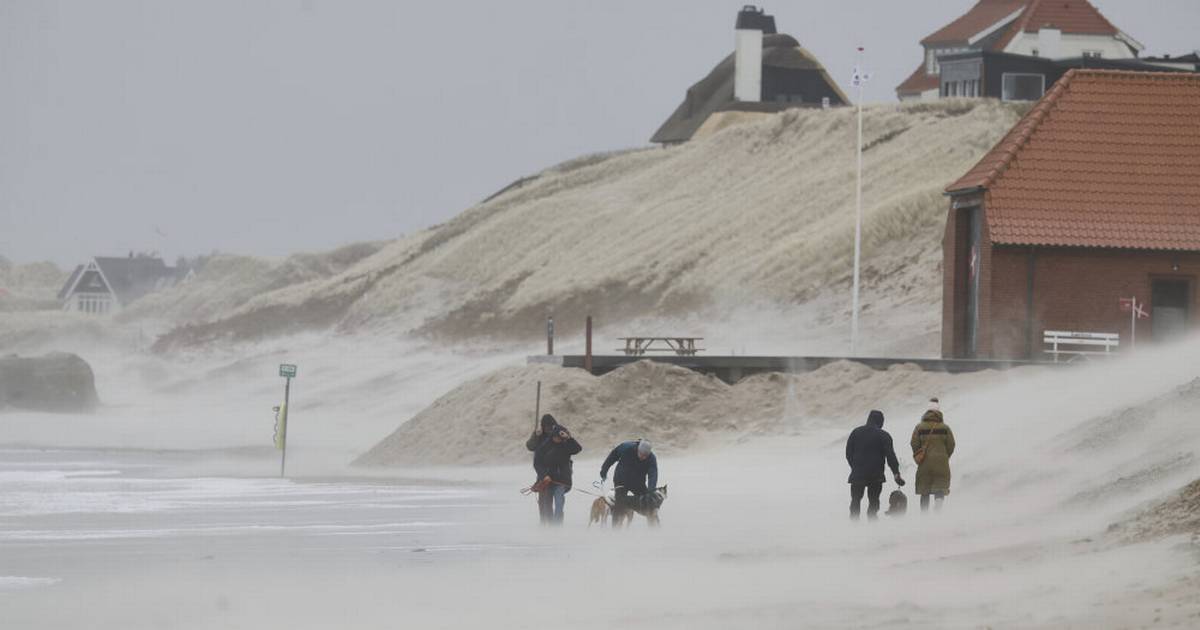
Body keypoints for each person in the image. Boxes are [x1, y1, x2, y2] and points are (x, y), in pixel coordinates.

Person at [845, 409, 905, 520]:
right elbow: (890, 456)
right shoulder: (884, 435)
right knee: (873, 501)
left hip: (858, 473)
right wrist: (896, 473)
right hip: (875, 474)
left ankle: (853, 526)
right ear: (880, 422)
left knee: (855, 500)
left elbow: (848, 453)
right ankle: (872, 525)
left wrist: (855, 467)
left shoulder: (856, 432)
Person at [525, 414, 581, 524]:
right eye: (546, 427)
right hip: (545, 477)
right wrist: (535, 436)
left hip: (562, 478)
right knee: (544, 504)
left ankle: (556, 527)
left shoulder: (563, 436)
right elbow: (531, 449)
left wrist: (568, 438)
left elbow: (577, 448)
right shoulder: (541, 440)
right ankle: (547, 526)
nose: (549, 430)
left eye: (550, 427)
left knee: (559, 504)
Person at [911, 401, 955, 512]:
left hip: (924, 462)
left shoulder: (919, 427)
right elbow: (951, 444)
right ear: (939, 413)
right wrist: (945, 456)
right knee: (939, 486)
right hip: (941, 462)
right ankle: (938, 505)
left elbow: (914, 443)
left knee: (924, 489)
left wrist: (918, 454)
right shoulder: (945, 428)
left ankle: (924, 515)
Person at [599, 439, 658, 512]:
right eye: (641, 454)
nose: (643, 457)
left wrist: (651, 490)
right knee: (619, 505)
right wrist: (604, 470)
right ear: (638, 450)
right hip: (621, 481)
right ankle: (616, 523)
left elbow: (653, 475)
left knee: (648, 504)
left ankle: (654, 523)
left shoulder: (651, 458)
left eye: (645, 456)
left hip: (638, 483)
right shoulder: (626, 447)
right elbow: (612, 457)